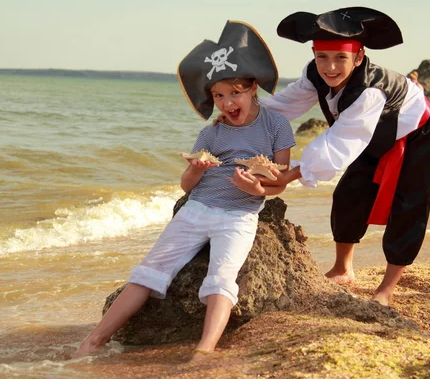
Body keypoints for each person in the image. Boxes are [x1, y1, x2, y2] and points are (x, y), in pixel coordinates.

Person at [75, 21, 295, 357]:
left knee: (222, 278)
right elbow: (186, 185)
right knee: (148, 272)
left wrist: (258, 187)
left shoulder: (276, 125)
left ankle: (205, 350)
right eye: (218, 96)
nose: (226, 103)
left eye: (234, 93)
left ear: (253, 88)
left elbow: (278, 181)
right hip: (197, 209)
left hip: (239, 215)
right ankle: (93, 341)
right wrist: (195, 167)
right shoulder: (211, 133)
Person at [257, 7, 430, 306]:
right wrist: (241, 112)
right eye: (322, 57)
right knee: (348, 194)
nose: (330, 67)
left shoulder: (370, 92)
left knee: (408, 206)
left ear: (358, 57)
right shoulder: (314, 73)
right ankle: (343, 269)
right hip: (370, 131)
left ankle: (386, 288)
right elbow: (284, 104)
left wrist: (290, 174)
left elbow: (338, 142)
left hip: (413, 130)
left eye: (340, 58)